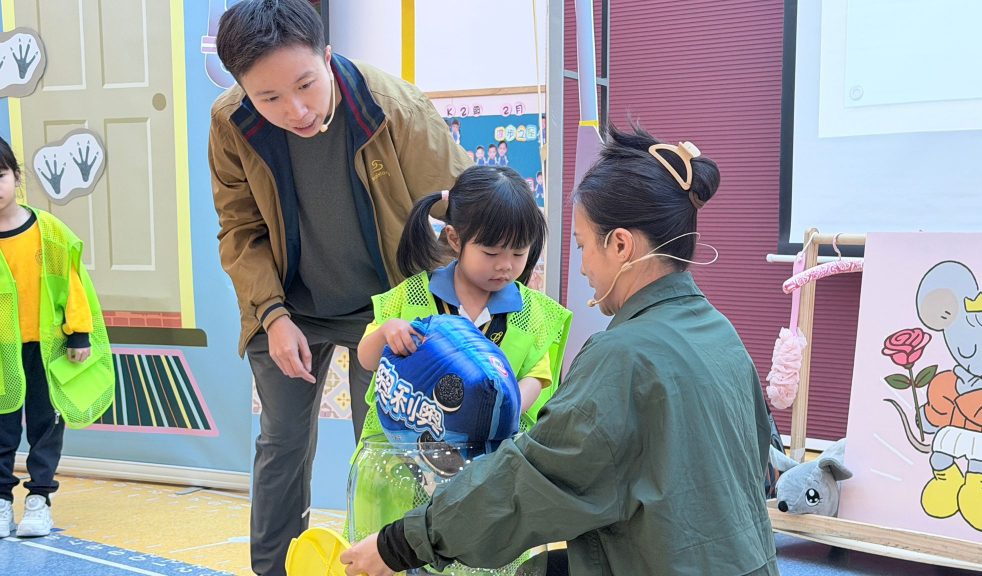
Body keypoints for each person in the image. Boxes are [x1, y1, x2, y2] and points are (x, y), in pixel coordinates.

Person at [341, 124, 779, 576]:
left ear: (621, 245)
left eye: (583, 246)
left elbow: (530, 481)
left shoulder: (621, 355)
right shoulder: (720, 333)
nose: (584, 267)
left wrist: (401, 543)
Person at [208, 1, 470, 574]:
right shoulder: (230, 123)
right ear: (243, 91)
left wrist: (474, 294)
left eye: (306, 84)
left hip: (388, 303)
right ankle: (274, 569)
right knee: (281, 441)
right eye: (268, 98)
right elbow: (240, 230)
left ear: (326, 57)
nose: (296, 110)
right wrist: (273, 316)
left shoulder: (393, 107)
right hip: (286, 303)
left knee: (384, 446)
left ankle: (384, 565)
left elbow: (468, 204)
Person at [356, 165, 572, 439]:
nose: (505, 266)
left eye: (518, 253)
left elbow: (537, 377)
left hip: (492, 454)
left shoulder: (532, 312)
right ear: (455, 239)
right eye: (491, 253)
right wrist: (387, 332)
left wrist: (499, 415)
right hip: (408, 451)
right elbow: (366, 359)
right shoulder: (412, 295)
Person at [0, 136, 113, 539]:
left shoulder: (48, 232)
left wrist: (79, 333)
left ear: (16, 176)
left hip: (45, 348)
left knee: (45, 424)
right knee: (2, 428)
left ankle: (39, 499)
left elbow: (72, 283)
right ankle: (1, 501)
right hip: (2, 352)